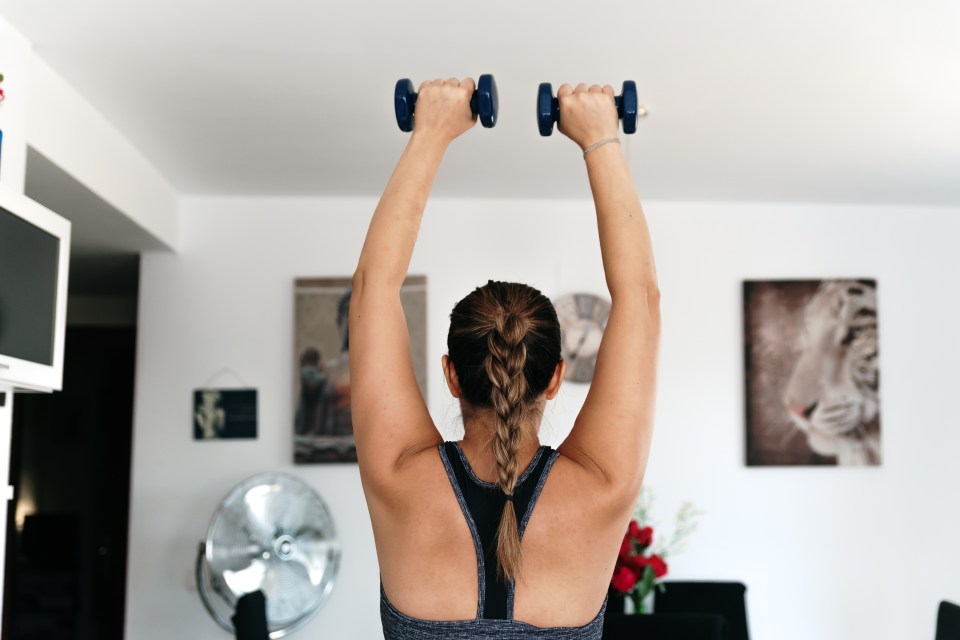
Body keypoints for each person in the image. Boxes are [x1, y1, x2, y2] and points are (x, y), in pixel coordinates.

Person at [350, 78, 660, 639]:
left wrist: (432, 133)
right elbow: (640, 299)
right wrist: (600, 139)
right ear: (555, 379)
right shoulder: (601, 487)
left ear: (451, 374)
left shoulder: (399, 477)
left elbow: (374, 289)